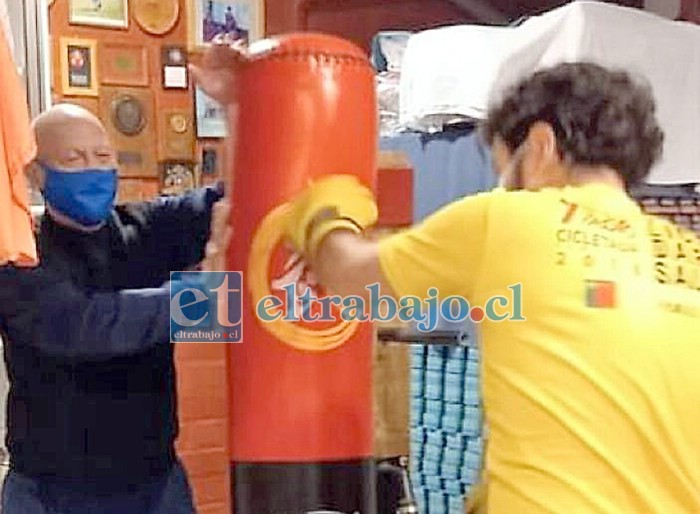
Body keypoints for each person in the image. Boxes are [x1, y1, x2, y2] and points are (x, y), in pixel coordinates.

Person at [196, 47, 700, 513]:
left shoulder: (508, 220)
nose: (504, 185)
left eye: (507, 169)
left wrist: (321, 215)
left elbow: (355, 283)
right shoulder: (689, 253)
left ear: (541, 145)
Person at [0, 103, 224, 514]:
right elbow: (83, 324)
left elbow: (230, 198)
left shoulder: (144, 227)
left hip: (157, 482)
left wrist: (237, 105)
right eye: (74, 159)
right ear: (35, 174)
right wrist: (206, 303)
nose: (93, 169)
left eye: (102, 157)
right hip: (53, 493)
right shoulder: (20, 257)